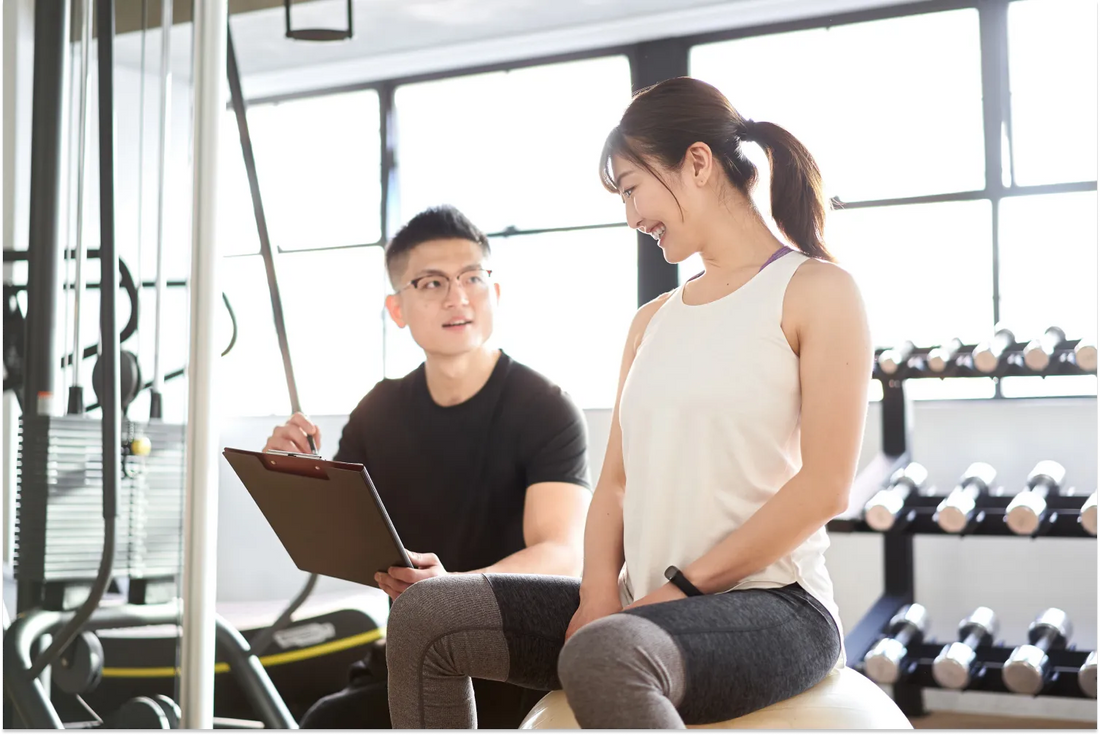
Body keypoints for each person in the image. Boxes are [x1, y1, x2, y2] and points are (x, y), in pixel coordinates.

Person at [382, 77, 874, 729]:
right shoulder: (652, 321)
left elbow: (825, 487)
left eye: (632, 188)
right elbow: (614, 482)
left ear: (697, 162)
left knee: (608, 653)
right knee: (426, 614)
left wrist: (678, 591)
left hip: (777, 604)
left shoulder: (817, 290)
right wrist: (595, 597)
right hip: (640, 605)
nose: (632, 215)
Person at [262, 205, 593, 728]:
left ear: (495, 292)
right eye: (432, 282)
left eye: (472, 278)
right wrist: (295, 473)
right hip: (411, 648)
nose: (457, 297)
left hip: (509, 654)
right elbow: (342, 537)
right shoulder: (378, 410)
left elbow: (562, 552)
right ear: (397, 309)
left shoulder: (546, 407)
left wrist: (453, 591)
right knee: (327, 720)